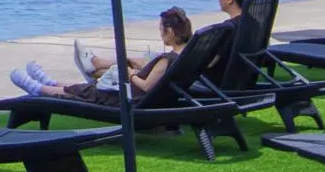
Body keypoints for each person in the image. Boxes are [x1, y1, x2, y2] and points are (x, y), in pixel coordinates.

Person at [75, 0, 252, 81]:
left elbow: (210, 62)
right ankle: (97, 65)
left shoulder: (228, 29)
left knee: (151, 63)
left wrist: (186, 57)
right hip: (230, 79)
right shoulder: (249, 24)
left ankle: (95, 69)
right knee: (149, 60)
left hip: (201, 81)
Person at [12, 8, 192, 105]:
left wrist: (130, 74)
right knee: (87, 88)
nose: (160, 34)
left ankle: (38, 88)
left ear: (170, 32)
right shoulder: (186, 55)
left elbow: (146, 86)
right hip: (134, 94)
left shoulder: (167, 60)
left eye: (161, 29)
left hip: (127, 97)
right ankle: (49, 82)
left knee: (86, 92)